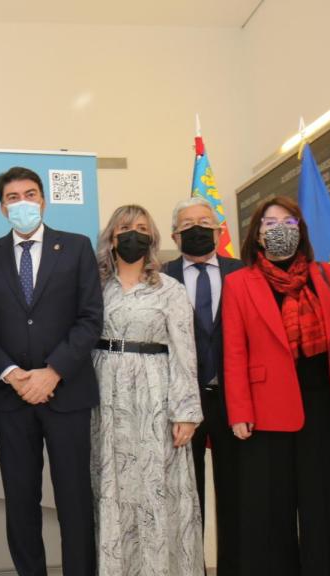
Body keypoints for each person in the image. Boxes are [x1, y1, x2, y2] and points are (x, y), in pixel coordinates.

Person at [0, 166, 102, 576]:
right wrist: (11, 372)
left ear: (43, 200)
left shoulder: (77, 247)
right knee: (21, 501)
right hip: (12, 397)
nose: (22, 202)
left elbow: (90, 319)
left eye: (30, 194)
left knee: (74, 499)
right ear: (1, 206)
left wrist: (53, 372)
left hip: (68, 393)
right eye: (13, 197)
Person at [222, 195, 330, 575]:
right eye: (269, 223)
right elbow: (234, 352)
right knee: (271, 513)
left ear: (301, 231)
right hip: (265, 412)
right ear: (257, 235)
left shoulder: (327, 277)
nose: (279, 229)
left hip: (325, 409)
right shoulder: (239, 283)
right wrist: (240, 411)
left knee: (325, 508)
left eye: (288, 222)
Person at [92, 204, 203, 576]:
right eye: (125, 227)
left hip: (155, 395)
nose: (133, 234)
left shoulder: (169, 288)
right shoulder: (94, 286)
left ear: (153, 238)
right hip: (105, 397)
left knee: (155, 488)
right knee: (113, 486)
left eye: (141, 227)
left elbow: (185, 351)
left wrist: (185, 412)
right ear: (112, 235)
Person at [163, 196, 244, 576]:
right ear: (176, 235)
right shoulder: (160, 279)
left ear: (218, 229)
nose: (197, 228)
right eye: (188, 224)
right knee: (185, 499)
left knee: (237, 495)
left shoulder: (244, 272)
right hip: (180, 406)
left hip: (235, 402)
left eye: (204, 221)